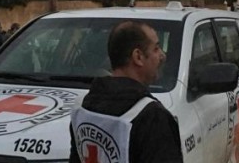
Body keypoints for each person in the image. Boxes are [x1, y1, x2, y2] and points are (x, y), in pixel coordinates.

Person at [69, 21, 183, 163]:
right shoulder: (152, 117)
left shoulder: (83, 108)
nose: (162, 55)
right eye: (156, 49)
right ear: (138, 57)